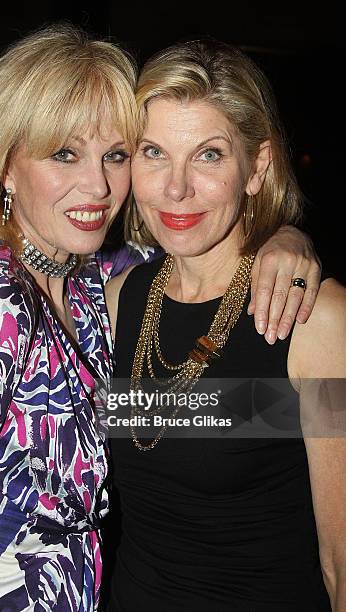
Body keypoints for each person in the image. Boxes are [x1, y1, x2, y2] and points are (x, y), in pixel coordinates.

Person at [0, 25, 322, 611]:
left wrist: (285, 234)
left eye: (118, 154)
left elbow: (215, 409)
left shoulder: (96, 286)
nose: (97, 183)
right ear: (4, 167)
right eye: (64, 153)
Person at [106, 39, 346, 611]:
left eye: (209, 155)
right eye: (153, 152)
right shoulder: (119, 300)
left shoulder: (316, 321)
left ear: (256, 168)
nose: (175, 188)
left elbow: (342, 560)